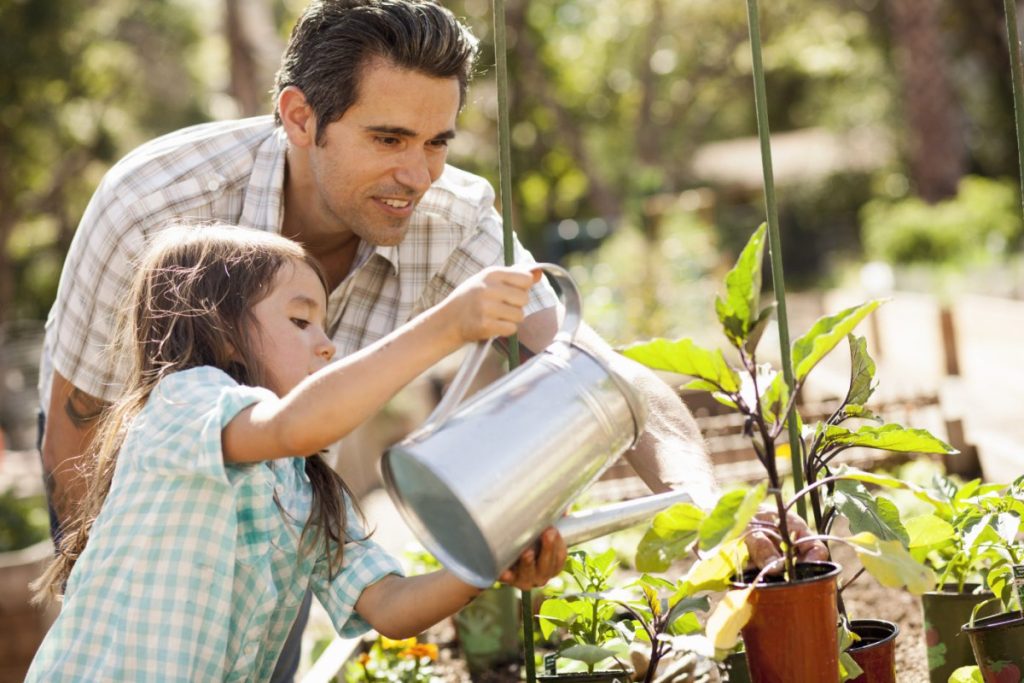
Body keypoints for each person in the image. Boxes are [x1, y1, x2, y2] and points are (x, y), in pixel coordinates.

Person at [27, 225, 567, 681]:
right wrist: (447, 326)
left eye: (326, 325)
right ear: (223, 330)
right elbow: (294, 425)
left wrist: (486, 563)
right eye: (301, 321)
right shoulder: (183, 403)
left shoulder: (304, 487)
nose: (327, 343)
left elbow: (391, 606)